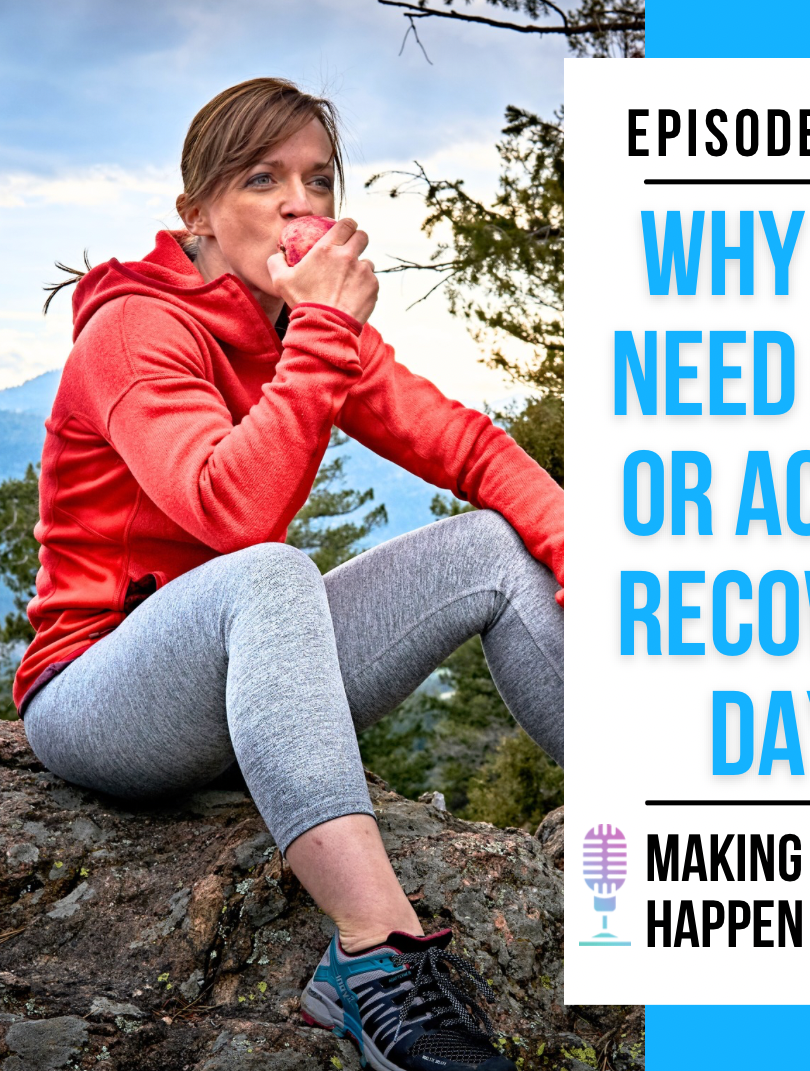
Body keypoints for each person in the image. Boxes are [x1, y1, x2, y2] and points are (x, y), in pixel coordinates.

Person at [15, 78, 564, 1071]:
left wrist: (577, 550)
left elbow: (466, 445)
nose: (299, 203)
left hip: (242, 693)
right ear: (198, 216)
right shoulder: (135, 330)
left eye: (317, 179)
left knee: (492, 541)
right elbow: (233, 511)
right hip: (98, 699)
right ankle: (373, 956)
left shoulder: (291, 323)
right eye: (263, 178)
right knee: (271, 569)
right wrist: (324, 331)